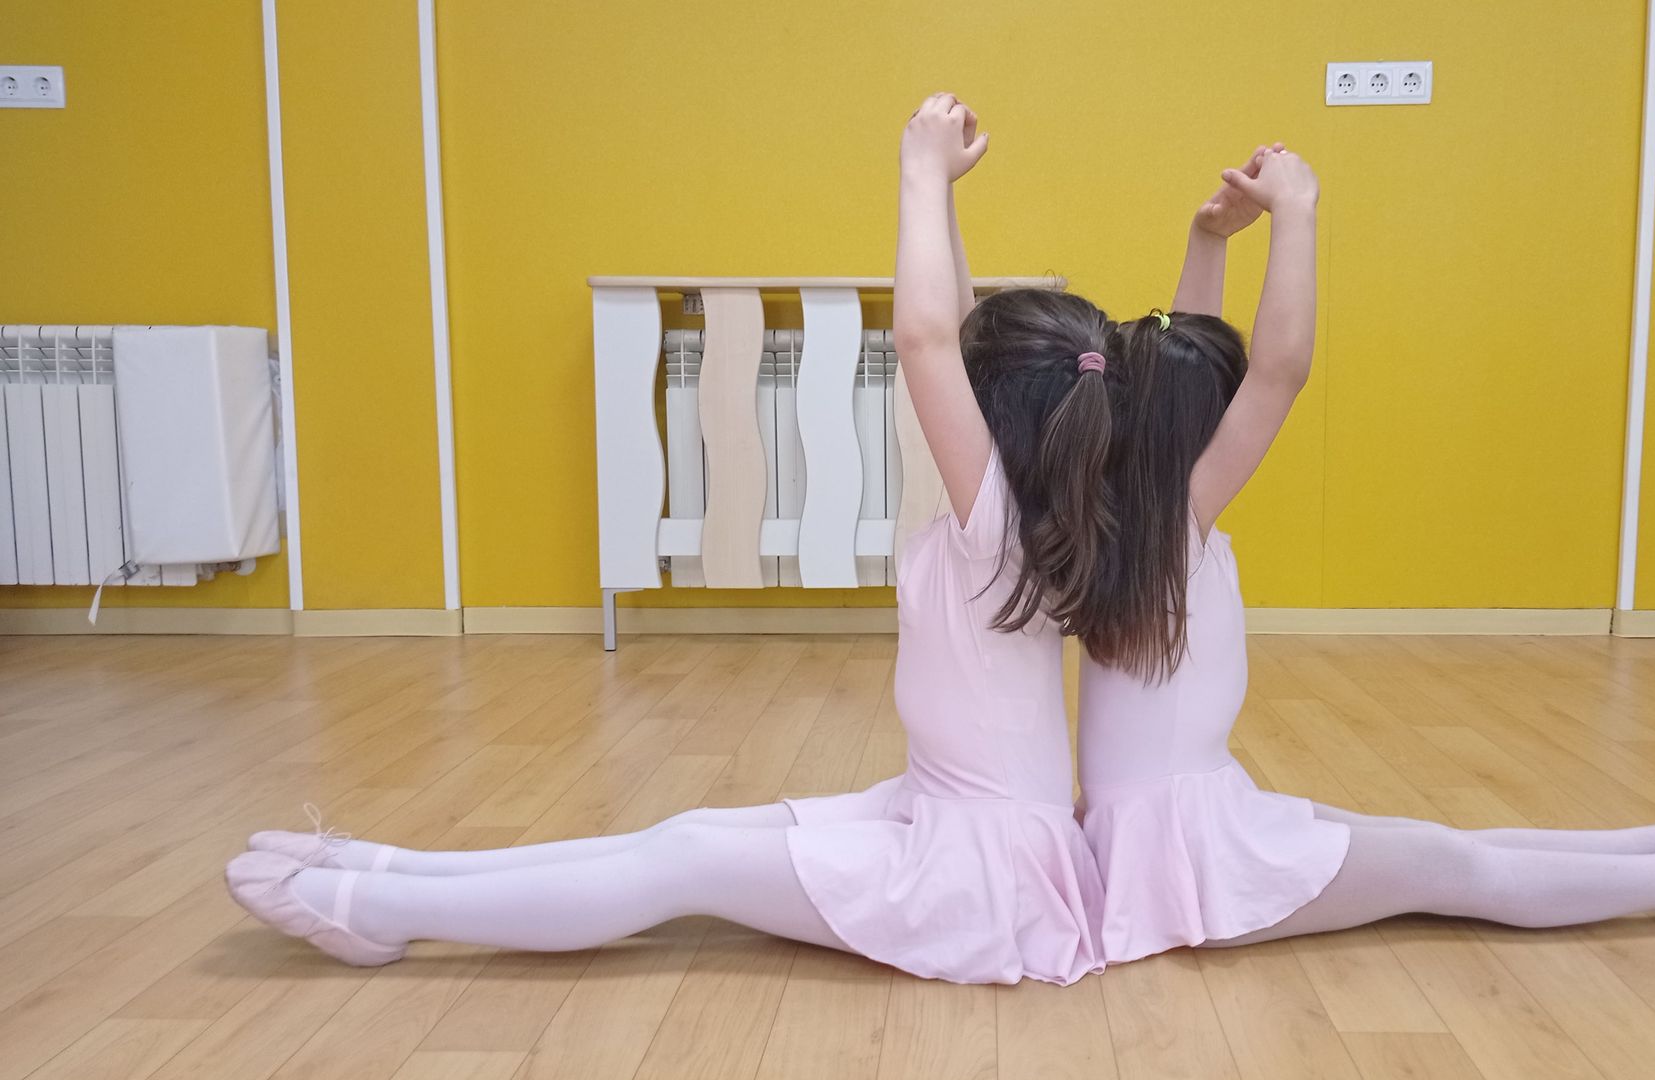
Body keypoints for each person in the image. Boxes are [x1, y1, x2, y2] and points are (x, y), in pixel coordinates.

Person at [225, 93, 1108, 986]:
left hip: (974, 876)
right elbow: (952, 333)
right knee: (683, 833)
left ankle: (382, 913)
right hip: (948, 817)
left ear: (990, 406)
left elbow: (925, 339)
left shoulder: (996, 522)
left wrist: (917, 172)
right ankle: (398, 872)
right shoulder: (1028, 502)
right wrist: (947, 197)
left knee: (681, 864)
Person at [1074, 142, 1655, 963]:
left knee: (1432, 842)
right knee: (1453, 868)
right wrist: (1296, 213)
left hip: (1184, 822)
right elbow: (1280, 370)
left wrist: (1210, 239)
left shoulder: (1132, 508)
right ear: (1199, 424)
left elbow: (1179, 372)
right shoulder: (1175, 519)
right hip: (1191, 850)